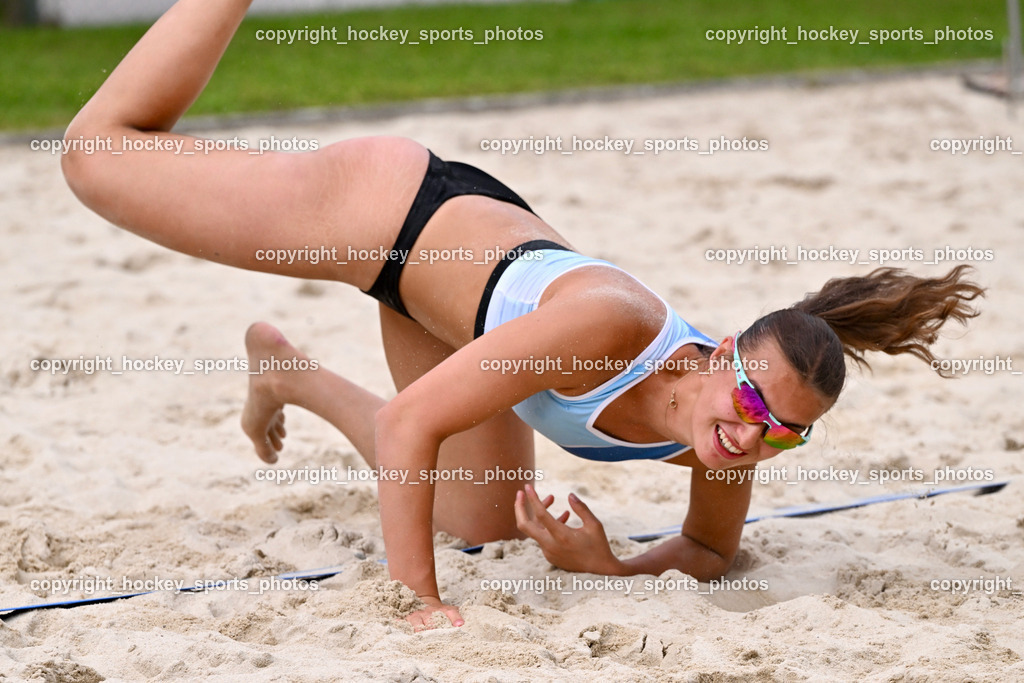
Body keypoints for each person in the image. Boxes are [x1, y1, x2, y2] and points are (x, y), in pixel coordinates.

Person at [60, 0, 984, 631]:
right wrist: (418, 604)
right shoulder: (612, 329)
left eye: (784, 433)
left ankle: (289, 372)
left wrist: (606, 568)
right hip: (389, 215)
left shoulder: (724, 438)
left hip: (456, 303)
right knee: (97, 154)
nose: (754, 436)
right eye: (752, 403)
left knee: (483, 522)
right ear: (718, 355)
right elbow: (412, 423)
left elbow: (708, 548)